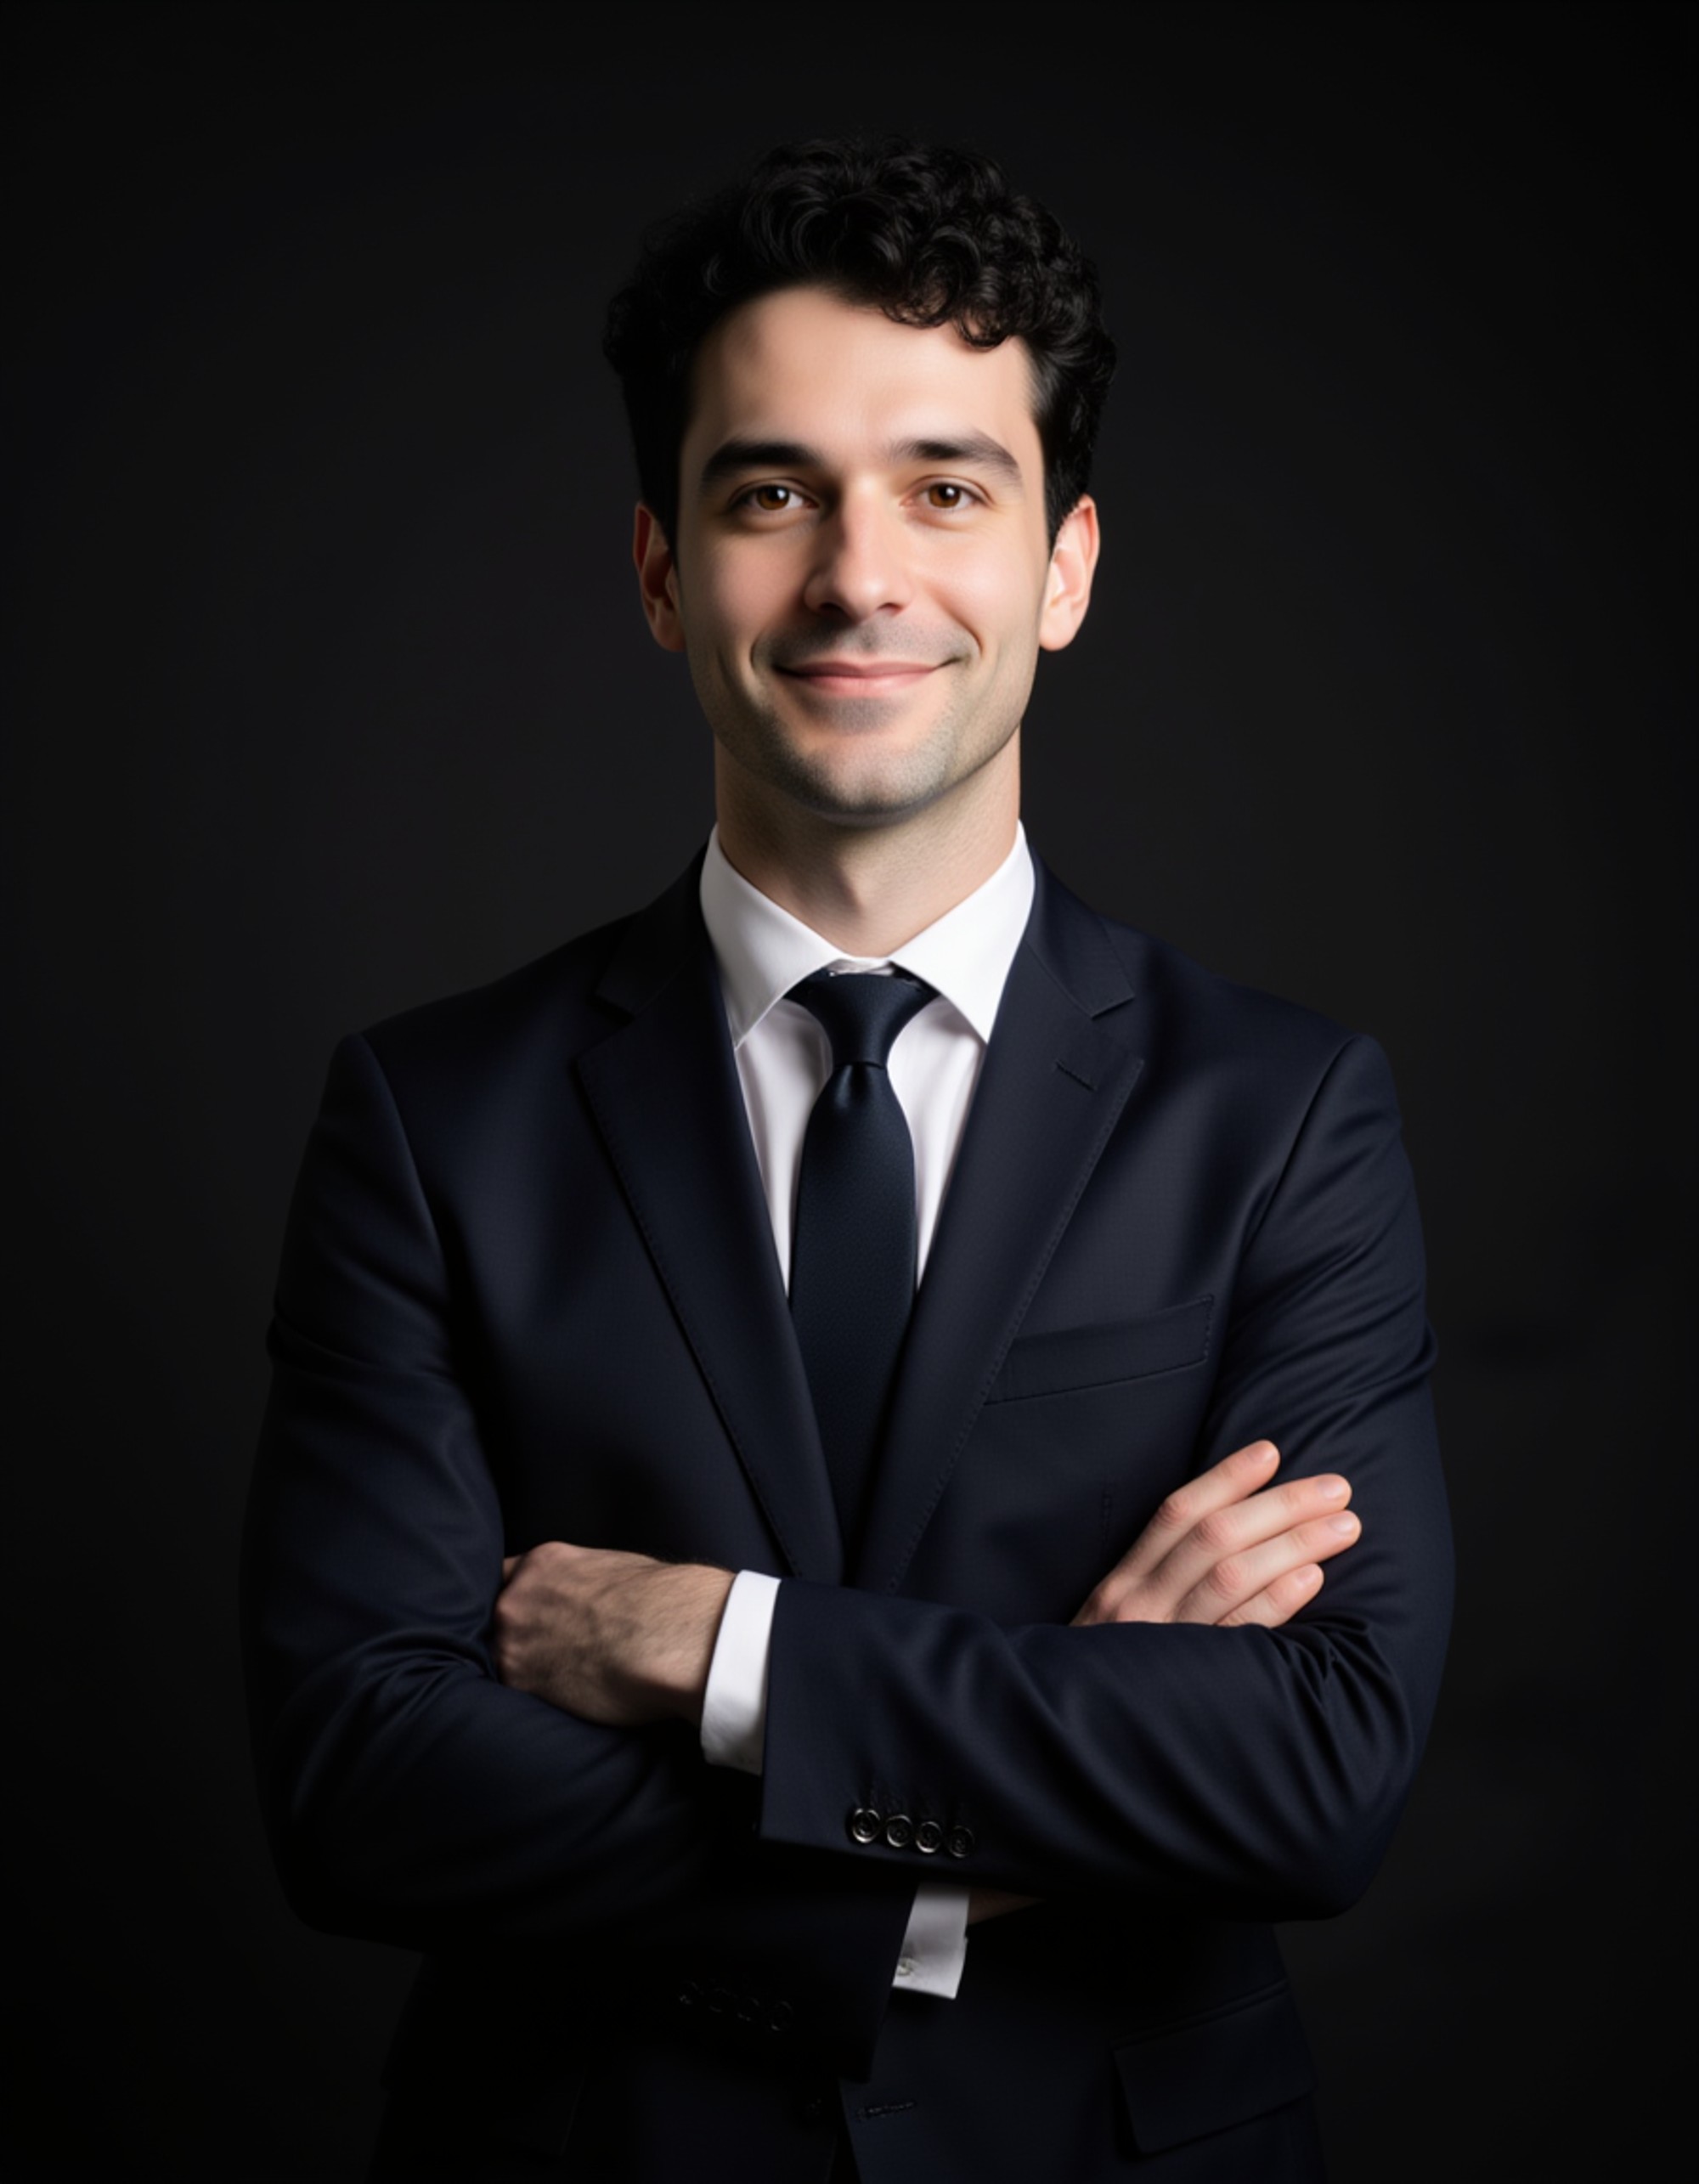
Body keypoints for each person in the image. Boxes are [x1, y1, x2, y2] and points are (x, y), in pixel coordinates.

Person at [242, 138, 1453, 2183]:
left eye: (946, 486)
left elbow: (1314, 1774)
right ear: (658, 569)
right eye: (772, 488)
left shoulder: (1281, 1114)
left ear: (1063, 564)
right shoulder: (431, 1114)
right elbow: (363, 1784)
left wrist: (718, 1654)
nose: (858, 574)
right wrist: (1051, 1757)